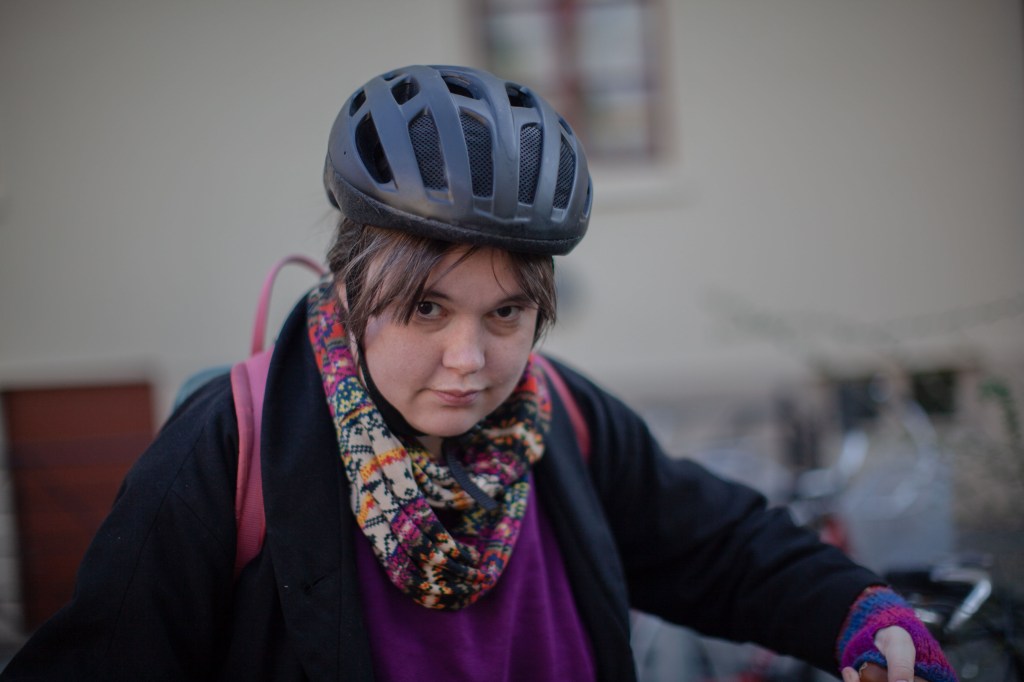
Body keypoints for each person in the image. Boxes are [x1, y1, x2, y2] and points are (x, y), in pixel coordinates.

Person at [0, 64, 956, 682]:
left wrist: (858, 612)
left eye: (506, 315)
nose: (471, 361)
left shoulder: (564, 417)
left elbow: (719, 547)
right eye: (426, 309)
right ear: (349, 286)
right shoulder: (230, 446)